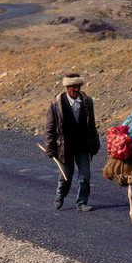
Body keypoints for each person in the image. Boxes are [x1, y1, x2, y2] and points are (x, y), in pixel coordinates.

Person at [45, 73, 100, 212]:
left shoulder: (87, 101)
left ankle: (82, 202)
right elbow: (50, 129)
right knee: (66, 176)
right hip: (65, 147)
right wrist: (50, 148)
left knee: (85, 175)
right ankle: (60, 195)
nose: (76, 89)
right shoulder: (56, 103)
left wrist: (95, 142)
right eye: (73, 87)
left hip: (82, 145)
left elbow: (91, 124)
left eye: (78, 86)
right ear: (67, 87)